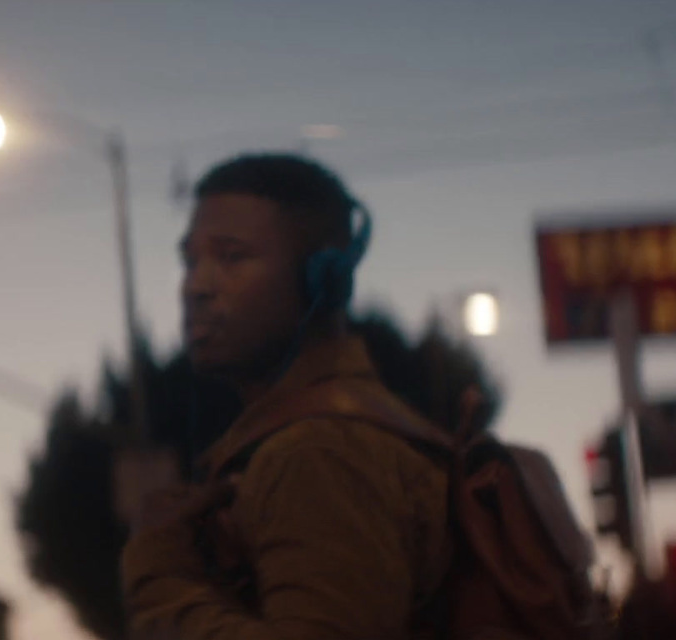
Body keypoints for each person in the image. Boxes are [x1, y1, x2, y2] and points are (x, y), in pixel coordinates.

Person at [120, 152, 595, 640]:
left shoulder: (318, 451)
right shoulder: (350, 426)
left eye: (232, 256)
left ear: (322, 280)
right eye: (190, 260)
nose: (196, 286)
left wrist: (163, 582)